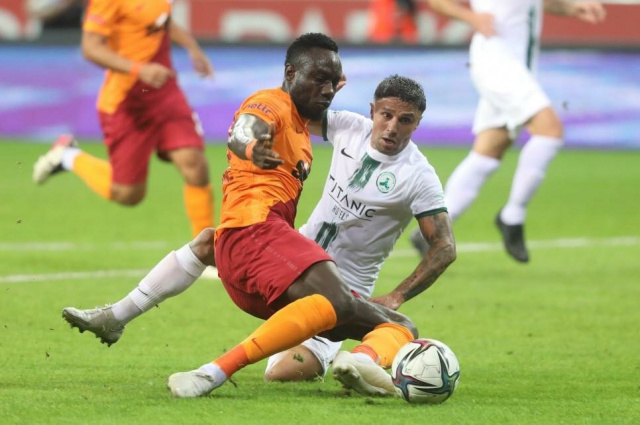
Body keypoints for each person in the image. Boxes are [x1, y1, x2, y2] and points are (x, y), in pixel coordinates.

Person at [62, 33, 420, 399]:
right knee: (340, 302)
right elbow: (245, 129)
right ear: (290, 73)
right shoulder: (271, 102)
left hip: (243, 256)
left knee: (399, 325)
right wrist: (251, 147)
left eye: (332, 82)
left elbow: (311, 107)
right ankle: (212, 373)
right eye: (318, 79)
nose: (327, 90)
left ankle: (116, 317)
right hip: (256, 234)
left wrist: (321, 84)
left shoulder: (299, 126)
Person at [264, 74, 456, 382]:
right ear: (372, 111)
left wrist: (397, 296)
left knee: (280, 374)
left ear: (417, 124)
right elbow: (290, 113)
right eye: (386, 115)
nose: (392, 127)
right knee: (214, 245)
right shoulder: (349, 127)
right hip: (292, 260)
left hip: (342, 288)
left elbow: (445, 246)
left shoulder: (418, 176)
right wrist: (312, 90)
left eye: (405, 120)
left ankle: (357, 358)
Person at [410, 0, 606, 263]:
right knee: (549, 131)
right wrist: (470, 17)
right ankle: (512, 216)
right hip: (497, 61)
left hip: (516, 65)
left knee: (489, 150)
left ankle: (432, 230)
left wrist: (571, 8)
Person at [33, 0, 216, 241]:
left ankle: (206, 251)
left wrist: (193, 47)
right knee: (128, 194)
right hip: (127, 101)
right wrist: (139, 69)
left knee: (195, 166)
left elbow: (160, 19)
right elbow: (90, 48)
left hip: (165, 93)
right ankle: (68, 155)